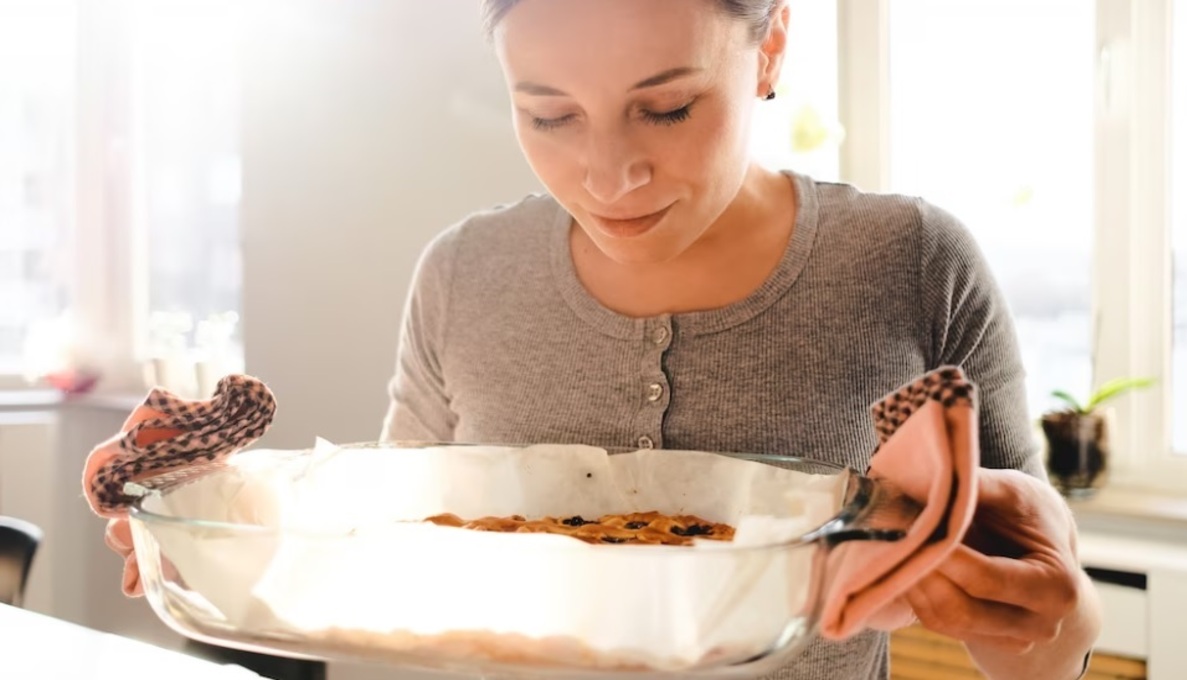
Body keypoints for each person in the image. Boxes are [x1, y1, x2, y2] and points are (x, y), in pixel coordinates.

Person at [104, 0, 1101, 678]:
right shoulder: (463, 273)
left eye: (665, 108)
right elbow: (391, 548)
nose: (607, 174)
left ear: (772, 47)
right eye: (548, 116)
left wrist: (1048, 620)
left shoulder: (913, 261)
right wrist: (203, 522)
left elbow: (1045, 639)